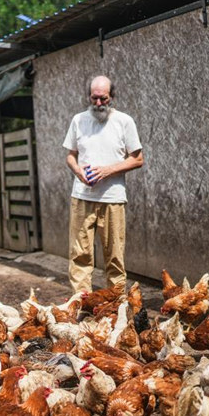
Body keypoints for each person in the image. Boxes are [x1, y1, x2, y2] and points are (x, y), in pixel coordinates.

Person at [62, 75, 144, 294]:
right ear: (89, 96)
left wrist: (107, 170)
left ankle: (115, 305)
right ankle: (81, 305)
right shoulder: (78, 120)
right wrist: (78, 171)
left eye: (103, 99)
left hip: (112, 198)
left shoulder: (124, 121)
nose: (98, 104)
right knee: (80, 255)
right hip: (81, 196)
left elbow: (138, 159)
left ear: (112, 97)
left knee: (114, 257)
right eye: (94, 98)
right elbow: (70, 156)